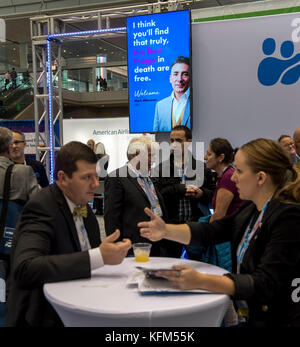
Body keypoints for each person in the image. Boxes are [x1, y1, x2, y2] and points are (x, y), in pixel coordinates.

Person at [138, 138, 300, 327]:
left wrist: (200, 280)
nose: (233, 177)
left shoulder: (289, 217)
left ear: (261, 178)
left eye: (239, 171)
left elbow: (264, 284)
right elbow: (212, 231)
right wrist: (165, 230)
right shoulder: (253, 208)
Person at [5, 141, 131, 326]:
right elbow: (25, 269)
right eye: (86, 177)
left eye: (96, 176)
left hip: (78, 305)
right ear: (62, 178)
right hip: (44, 316)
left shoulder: (83, 207)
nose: (96, 184)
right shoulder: (42, 207)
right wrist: (99, 256)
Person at [151, 125, 217, 257]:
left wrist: (202, 193)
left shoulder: (201, 167)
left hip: (195, 226)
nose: (174, 144)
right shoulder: (160, 169)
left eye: (179, 140)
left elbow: (213, 194)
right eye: (172, 140)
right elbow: (156, 195)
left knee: (196, 266)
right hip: (170, 228)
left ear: (188, 142)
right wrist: (179, 189)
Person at [104, 136, 174, 257]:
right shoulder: (117, 178)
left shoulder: (146, 178)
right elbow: (111, 218)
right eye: (150, 156)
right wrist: (118, 248)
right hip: (132, 248)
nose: (153, 160)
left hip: (155, 244)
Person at [204, 138, 242, 222]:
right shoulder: (227, 174)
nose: (205, 157)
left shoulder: (228, 177)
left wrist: (206, 232)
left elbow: (219, 215)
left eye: (209, 154)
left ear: (221, 157)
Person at [0, 127, 39, 204]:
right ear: (9, 148)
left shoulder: (36, 166)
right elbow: (37, 204)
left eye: (17, 142)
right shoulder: (25, 171)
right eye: (13, 143)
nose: (14, 146)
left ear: (24, 144)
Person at [153, 56, 190, 132]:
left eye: (185, 74)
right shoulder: (160, 106)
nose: (179, 79)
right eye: (175, 74)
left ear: (190, 77)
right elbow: (156, 134)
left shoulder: (198, 104)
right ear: (170, 78)